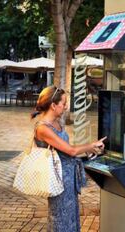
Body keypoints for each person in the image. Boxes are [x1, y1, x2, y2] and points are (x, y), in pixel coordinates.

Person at [31, 86, 106, 232]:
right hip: (57, 179)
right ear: (53, 105)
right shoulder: (42, 128)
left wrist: (90, 150)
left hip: (68, 177)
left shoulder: (57, 123)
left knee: (71, 215)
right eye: (64, 103)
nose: (66, 107)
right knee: (60, 217)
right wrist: (90, 145)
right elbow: (70, 150)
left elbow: (65, 149)